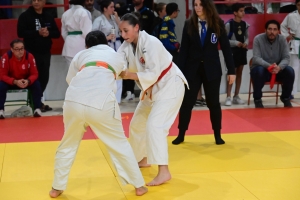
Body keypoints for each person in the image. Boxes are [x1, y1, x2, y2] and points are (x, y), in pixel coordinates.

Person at [49, 31, 148, 198]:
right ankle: (138, 185)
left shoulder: (81, 55)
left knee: (67, 144)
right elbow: (121, 74)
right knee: (119, 144)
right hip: (101, 102)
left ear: (87, 46)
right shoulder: (115, 55)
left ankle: (56, 187)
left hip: (74, 100)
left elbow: (70, 79)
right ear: (106, 43)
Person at [118, 13, 188, 186]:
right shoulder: (127, 46)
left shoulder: (151, 43)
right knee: (137, 123)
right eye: (121, 31)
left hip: (169, 85)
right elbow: (116, 60)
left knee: (155, 126)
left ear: (136, 28)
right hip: (151, 89)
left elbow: (152, 73)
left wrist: (127, 74)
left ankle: (164, 171)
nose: (123, 35)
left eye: (126, 30)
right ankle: (143, 158)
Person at [172, 0, 236, 146]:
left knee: (213, 103)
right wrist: (178, 73)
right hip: (192, 69)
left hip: (212, 69)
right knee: (187, 103)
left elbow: (226, 48)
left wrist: (231, 70)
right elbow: (184, 51)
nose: (198, 8)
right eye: (195, 5)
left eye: (200, 5)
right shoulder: (189, 24)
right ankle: (181, 133)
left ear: (207, 6)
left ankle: (217, 134)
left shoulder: (217, 23)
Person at [17, 0, 60, 112]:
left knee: (44, 77)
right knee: (34, 77)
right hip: (31, 52)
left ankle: (38, 101)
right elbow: (20, 33)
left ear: (44, 2)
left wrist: (48, 33)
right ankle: (36, 103)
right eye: (34, 0)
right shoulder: (25, 15)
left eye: (39, 0)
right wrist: (37, 33)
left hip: (45, 51)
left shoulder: (48, 15)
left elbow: (57, 33)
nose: (36, 2)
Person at [251, 20, 294, 108]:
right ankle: (257, 99)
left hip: (277, 70)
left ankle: (285, 97)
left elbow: (286, 57)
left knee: (290, 71)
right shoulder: (258, 39)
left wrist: (279, 67)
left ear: (278, 31)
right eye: (269, 29)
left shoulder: (282, 39)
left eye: (275, 30)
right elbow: (256, 58)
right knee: (259, 70)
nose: (272, 32)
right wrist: (269, 66)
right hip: (262, 69)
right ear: (265, 30)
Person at [0, 39, 43, 119]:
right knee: (1, 86)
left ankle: (37, 109)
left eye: (22, 48)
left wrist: (28, 80)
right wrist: (14, 81)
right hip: (12, 81)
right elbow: (2, 75)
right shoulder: (6, 57)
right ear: (12, 50)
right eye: (17, 49)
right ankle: (1, 110)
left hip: (25, 81)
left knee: (36, 84)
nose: (20, 51)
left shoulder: (29, 56)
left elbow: (35, 73)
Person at [92, 0, 123, 103]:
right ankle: (105, 99)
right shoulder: (98, 20)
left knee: (119, 72)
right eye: (111, 7)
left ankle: (117, 99)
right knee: (106, 73)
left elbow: (123, 29)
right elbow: (93, 37)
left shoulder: (115, 19)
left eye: (113, 7)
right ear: (105, 8)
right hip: (105, 47)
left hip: (117, 47)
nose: (113, 9)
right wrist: (106, 37)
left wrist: (118, 19)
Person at [224, 3, 249, 106]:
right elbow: (225, 40)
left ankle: (236, 96)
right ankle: (228, 96)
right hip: (232, 51)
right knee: (231, 73)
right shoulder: (229, 24)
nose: (243, 13)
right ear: (235, 12)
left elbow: (247, 37)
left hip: (242, 51)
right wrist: (235, 43)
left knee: (239, 73)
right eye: (241, 11)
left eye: (243, 11)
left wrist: (246, 43)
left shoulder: (245, 24)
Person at [61, 0, 92, 67]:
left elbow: (63, 33)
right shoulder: (85, 12)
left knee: (71, 72)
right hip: (81, 44)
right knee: (82, 71)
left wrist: (69, 39)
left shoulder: (65, 13)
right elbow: (87, 33)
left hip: (68, 45)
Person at [281, 0, 300, 99]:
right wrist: (287, 35)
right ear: (296, 5)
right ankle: (291, 92)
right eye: (299, 5)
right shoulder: (291, 15)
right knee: (294, 68)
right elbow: (282, 26)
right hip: (295, 43)